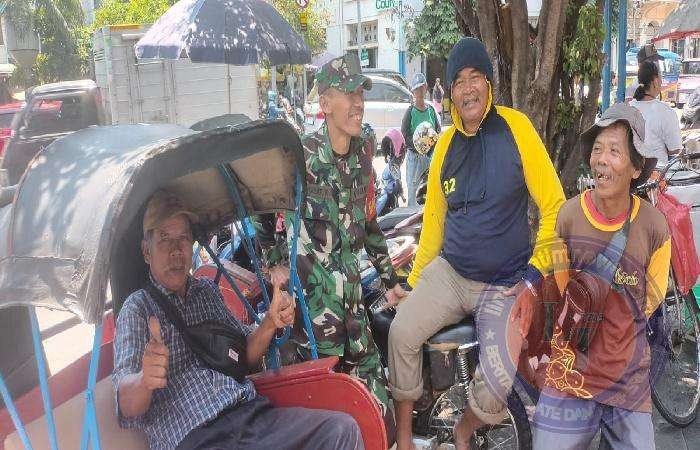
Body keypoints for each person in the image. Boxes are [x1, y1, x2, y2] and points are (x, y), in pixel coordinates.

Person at [387, 37, 565, 450]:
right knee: (400, 333)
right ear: (449, 92)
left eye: (475, 78)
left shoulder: (517, 128)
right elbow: (434, 225)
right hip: (451, 274)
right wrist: (412, 283)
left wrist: (532, 278)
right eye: (458, 81)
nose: (467, 89)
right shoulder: (445, 146)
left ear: (489, 83)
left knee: (499, 376)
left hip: (505, 281)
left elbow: (555, 206)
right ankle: (404, 438)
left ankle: (464, 430)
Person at [113, 190, 364, 450]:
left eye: (183, 237)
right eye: (165, 238)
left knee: (341, 430)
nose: (176, 250)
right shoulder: (137, 309)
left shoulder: (207, 292)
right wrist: (144, 379)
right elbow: (125, 405)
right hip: (196, 438)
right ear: (146, 251)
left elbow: (244, 357)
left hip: (249, 414)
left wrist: (270, 322)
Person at [257, 53, 408, 444]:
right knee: (328, 423)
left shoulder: (365, 150)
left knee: (381, 419)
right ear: (325, 103)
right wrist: (274, 264)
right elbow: (261, 212)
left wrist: (390, 281)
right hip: (312, 321)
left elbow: (369, 222)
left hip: (354, 310)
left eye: (361, 93)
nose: (358, 102)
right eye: (349, 93)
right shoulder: (299, 156)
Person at [532, 102, 671, 450]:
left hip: (627, 379)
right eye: (597, 149)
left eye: (614, 151)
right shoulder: (568, 217)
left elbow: (649, 304)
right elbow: (560, 291)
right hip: (570, 374)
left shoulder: (655, 228)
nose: (601, 160)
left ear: (636, 168)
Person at [630, 60, 683, 166]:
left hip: (630, 170)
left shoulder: (628, 108)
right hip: (656, 172)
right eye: (661, 78)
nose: (661, 82)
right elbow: (675, 149)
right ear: (655, 81)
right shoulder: (665, 111)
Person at [402, 72, 441, 206]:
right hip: (415, 158)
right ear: (413, 92)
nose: (419, 91)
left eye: (421, 88)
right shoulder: (410, 112)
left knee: (430, 191)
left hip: (430, 157)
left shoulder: (431, 110)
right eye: (416, 89)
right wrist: (418, 144)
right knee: (413, 193)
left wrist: (430, 143)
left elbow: (437, 130)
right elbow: (404, 136)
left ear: (425, 88)